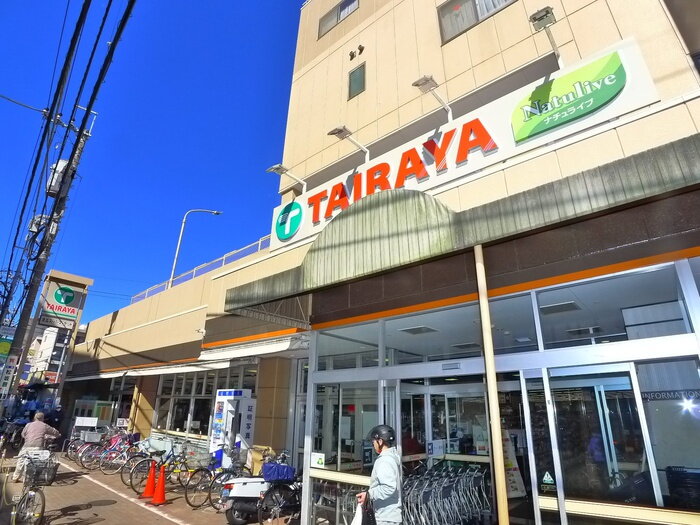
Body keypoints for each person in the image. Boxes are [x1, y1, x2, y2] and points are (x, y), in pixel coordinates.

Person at [357, 424, 402, 525]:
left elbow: (388, 487)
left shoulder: (384, 461)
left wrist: (369, 495)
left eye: (374, 442)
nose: (373, 445)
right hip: (390, 515)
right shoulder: (392, 457)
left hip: (385, 517)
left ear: (380, 441)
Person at [12, 412, 60, 483]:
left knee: (20, 461)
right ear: (43, 418)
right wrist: (58, 435)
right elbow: (55, 432)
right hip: (38, 447)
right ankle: (32, 478)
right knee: (36, 463)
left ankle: (15, 477)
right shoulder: (45, 426)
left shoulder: (28, 425)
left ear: (34, 418)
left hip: (27, 446)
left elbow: (23, 434)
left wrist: (28, 437)